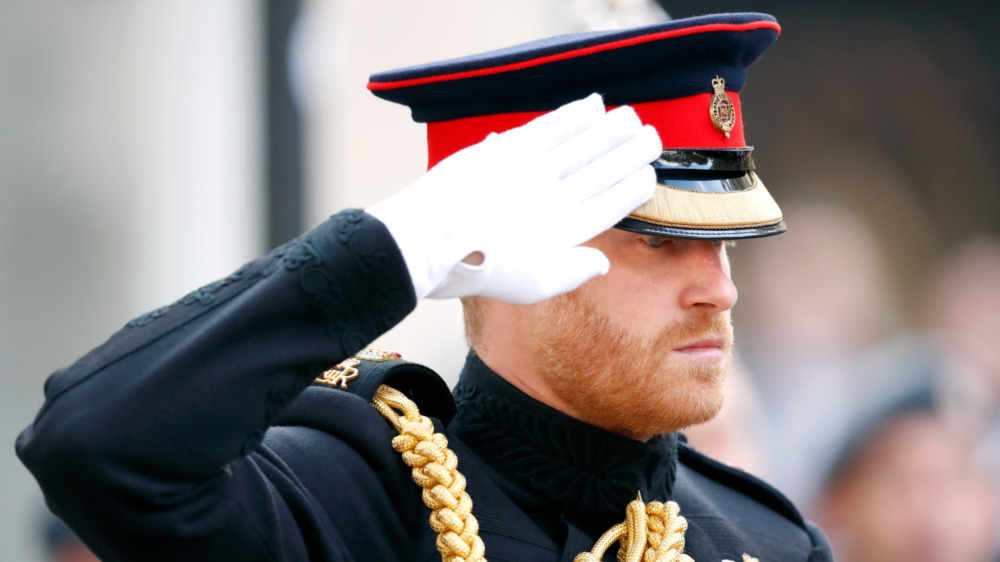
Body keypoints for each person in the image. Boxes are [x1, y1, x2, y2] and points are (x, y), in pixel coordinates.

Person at [16, 13, 832, 562]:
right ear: (510, 249)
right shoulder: (348, 501)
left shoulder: (766, 540)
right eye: (659, 240)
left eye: (725, 242)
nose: (719, 291)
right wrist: (397, 247)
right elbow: (92, 447)